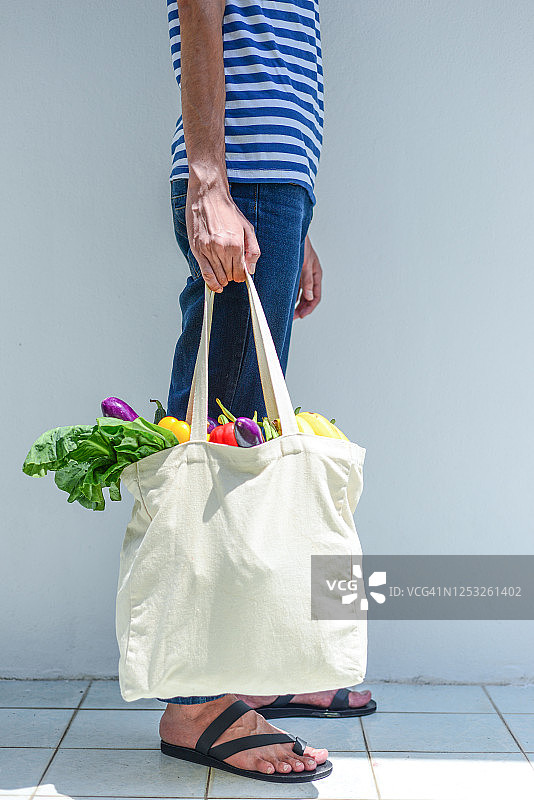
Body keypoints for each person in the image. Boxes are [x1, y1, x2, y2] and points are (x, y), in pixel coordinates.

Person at [157, 0, 375, 783]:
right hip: (243, 177)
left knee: (240, 443)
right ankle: (195, 700)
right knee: (216, 453)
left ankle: (242, 669)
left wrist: (295, 217)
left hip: (268, 181)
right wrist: (213, 182)